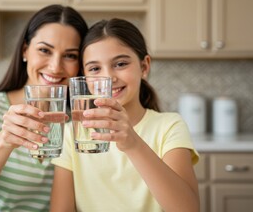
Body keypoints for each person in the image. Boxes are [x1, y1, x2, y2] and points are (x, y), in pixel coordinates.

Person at [0, 4, 88, 211]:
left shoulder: (80, 123)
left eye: (70, 55)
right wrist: (5, 139)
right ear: (25, 51)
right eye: (44, 50)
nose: (56, 66)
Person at [50, 18, 200, 212]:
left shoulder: (169, 126)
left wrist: (133, 144)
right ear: (84, 77)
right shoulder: (72, 134)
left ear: (144, 67)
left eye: (120, 64)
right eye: (95, 69)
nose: (109, 78)